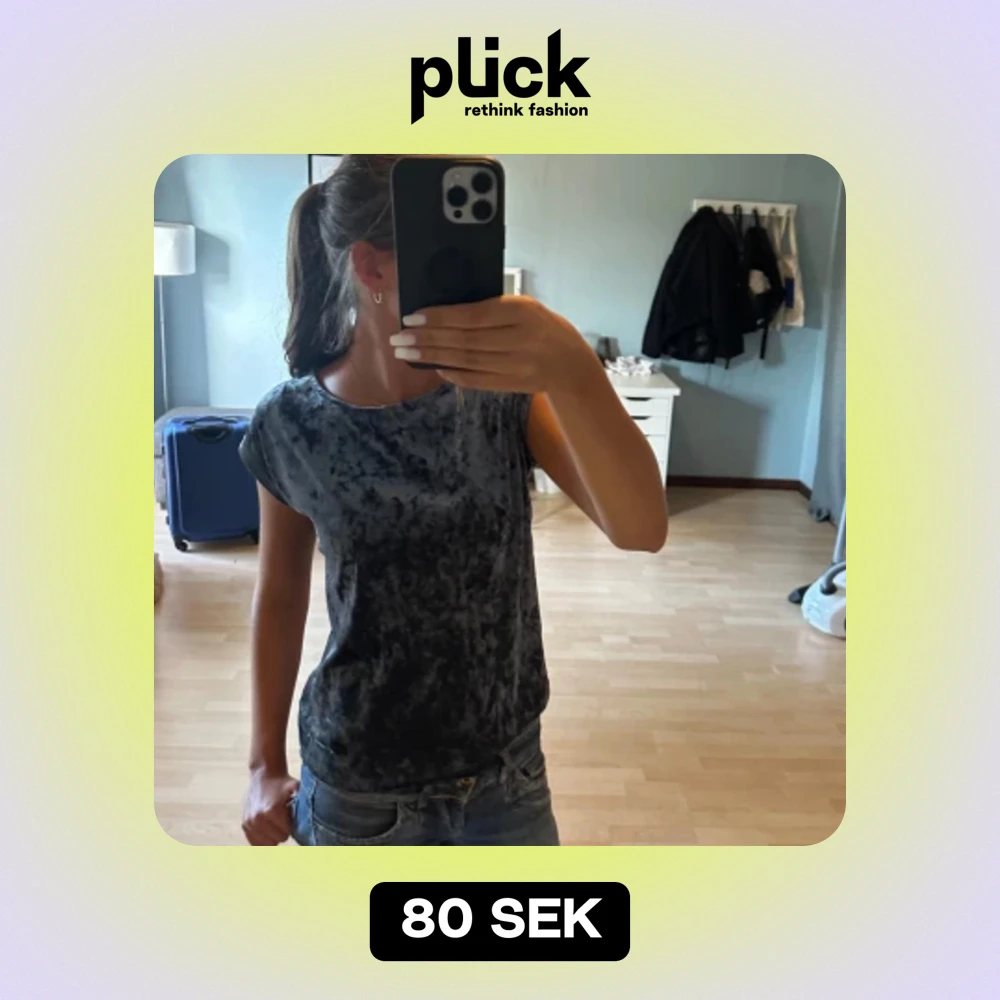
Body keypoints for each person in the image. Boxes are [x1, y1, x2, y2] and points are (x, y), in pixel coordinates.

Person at [239, 154, 668, 847]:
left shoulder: (507, 397)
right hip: (360, 793)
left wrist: (572, 366)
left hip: (508, 778)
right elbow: (280, 594)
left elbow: (642, 529)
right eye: (449, 254)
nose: (476, 279)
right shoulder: (290, 423)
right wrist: (263, 765)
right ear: (372, 268)